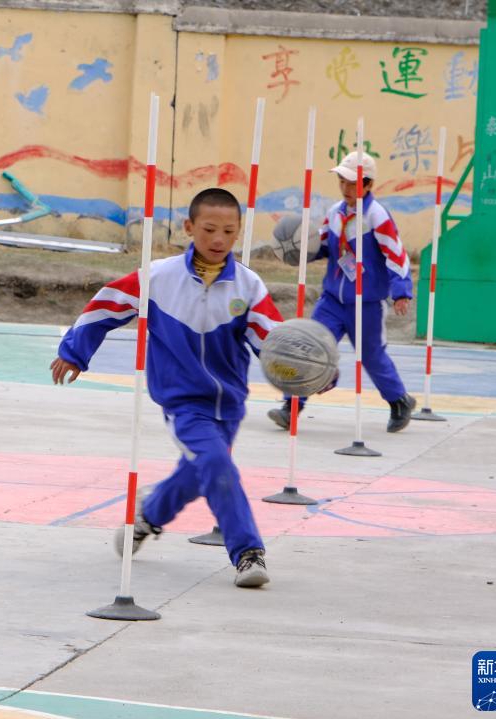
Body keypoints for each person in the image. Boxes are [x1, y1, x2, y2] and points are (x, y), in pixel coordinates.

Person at [51, 188, 283, 588]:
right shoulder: (158, 277)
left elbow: (275, 343)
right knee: (217, 466)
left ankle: (150, 514)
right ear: (189, 227)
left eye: (229, 231)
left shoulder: (248, 286)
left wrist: (308, 375)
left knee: (199, 471)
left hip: (229, 404)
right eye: (209, 229)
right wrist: (74, 352)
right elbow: (106, 305)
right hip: (183, 402)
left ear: (239, 231)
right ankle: (248, 552)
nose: (219, 239)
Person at [267, 151, 416, 433]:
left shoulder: (377, 216)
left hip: (366, 303)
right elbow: (323, 245)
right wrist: (300, 250)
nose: (346, 188)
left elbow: (396, 254)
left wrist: (401, 292)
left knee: (372, 357)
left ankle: (399, 401)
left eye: (352, 183)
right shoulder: (335, 213)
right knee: (310, 345)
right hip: (332, 300)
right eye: (342, 181)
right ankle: (291, 407)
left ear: (368, 184)